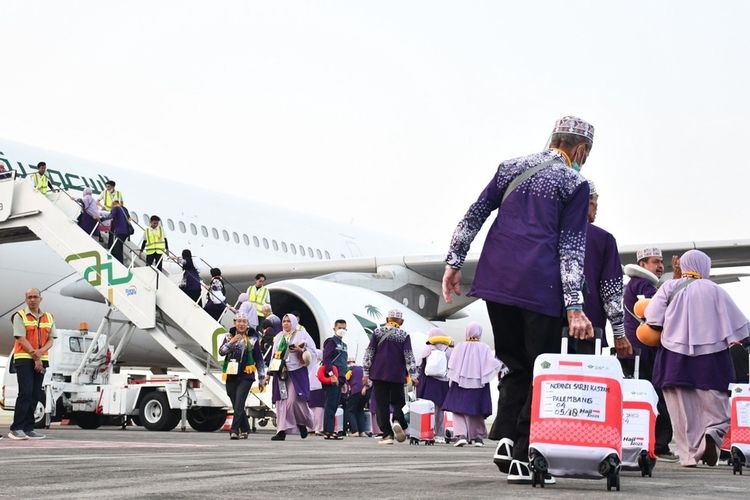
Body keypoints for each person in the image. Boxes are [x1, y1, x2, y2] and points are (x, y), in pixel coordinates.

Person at [442, 116, 595, 484]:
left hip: (496, 280)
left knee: (514, 364)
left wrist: (454, 262)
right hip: (540, 287)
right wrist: (575, 306)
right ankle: (525, 457)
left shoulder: (510, 167)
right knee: (540, 368)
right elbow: (571, 248)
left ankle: (507, 439)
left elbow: (473, 215)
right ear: (580, 150)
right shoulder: (574, 183)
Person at [645, 249, 750, 467]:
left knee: (681, 411)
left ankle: (688, 456)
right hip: (712, 357)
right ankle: (712, 433)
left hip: (673, 356)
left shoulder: (669, 287)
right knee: (718, 407)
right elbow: (740, 325)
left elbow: (652, 317)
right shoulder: (715, 289)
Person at [622, 246, 676, 461]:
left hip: (634, 351)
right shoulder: (643, 284)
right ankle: (659, 444)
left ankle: (643, 441)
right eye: (655, 261)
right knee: (656, 396)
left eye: (661, 261)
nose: (661, 266)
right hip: (643, 352)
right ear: (642, 264)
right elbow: (654, 312)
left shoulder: (634, 284)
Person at [578, 181, 632, 356]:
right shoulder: (603, 239)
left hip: (545, 326)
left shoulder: (549, 232)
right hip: (588, 329)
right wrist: (619, 334)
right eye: (595, 201)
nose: (597, 207)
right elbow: (611, 291)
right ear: (588, 202)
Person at [362, 309, 419, 445]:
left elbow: (369, 353)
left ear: (387, 319)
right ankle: (397, 420)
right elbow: (409, 356)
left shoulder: (377, 332)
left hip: (378, 373)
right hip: (397, 374)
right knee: (399, 401)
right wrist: (413, 375)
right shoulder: (404, 335)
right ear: (401, 321)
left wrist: (365, 373)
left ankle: (387, 435)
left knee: (382, 404)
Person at [7, 289, 56, 440]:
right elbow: (21, 338)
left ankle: (28, 428)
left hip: (41, 357)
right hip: (24, 358)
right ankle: (16, 428)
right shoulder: (20, 315)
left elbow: (51, 339)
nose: (32, 299)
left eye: (35, 297)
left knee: (36, 394)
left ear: (41, 299)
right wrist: (36, 356)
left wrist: (40, 353)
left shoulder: (49, 317)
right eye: (29, 297)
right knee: (26, 392)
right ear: (26, 299)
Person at [442, 323, 501, 448]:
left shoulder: (459, 346)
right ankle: (478, 437)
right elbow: (492, 364)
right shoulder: (485, 347)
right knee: (476, 410)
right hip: (479, 383)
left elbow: (452, 364)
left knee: (457, 410)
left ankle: (461, 435)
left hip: (459, 382)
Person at [266, 314, 316, 440]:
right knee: (281, 401)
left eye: (288, 321)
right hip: (281, 371)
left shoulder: (302, 335)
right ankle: (281, 430)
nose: (286, 323)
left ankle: (302, 422)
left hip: (296, 371)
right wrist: (268, 373)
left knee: (293, 401)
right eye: (284, 321)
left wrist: (300, 350)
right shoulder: (279, 337)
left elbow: (312, 351)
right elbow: (273, 354)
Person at [218, 312, 266, 440]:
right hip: (231, 373)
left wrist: (262, 378)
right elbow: (221, 352)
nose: (241, 324)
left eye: (244, 321)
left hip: (246, 374)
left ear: (248, 324)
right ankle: (245, 428)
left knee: (239, 401)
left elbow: (259, 360)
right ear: (235, 323)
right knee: (235, 401)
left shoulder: (253, 339)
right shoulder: (228, 336)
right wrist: (231, 342)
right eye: (239, 321)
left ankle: (234, 430)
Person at [417, 328, 454, 444]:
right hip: (443, 383)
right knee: (439, 411)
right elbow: (452, 366)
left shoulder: (427, 349)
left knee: (426, 409)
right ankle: (439, 434)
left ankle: (425, 433)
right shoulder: (448, 350)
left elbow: (419, 365)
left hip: (428, 383)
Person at [322, 320, 349, 439]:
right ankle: (328, 431)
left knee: (335, 405)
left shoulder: (344, 345)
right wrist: (331, 374)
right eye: (339, 327)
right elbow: (326, 359)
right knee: (330, 405)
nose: (342, 330)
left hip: (340, 378)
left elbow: (344, 364)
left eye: (344, 328)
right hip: (332, 377)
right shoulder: (331, 342)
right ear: (334, 329)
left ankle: (331, 430)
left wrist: (344, 381)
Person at [345, 353, 368, 437]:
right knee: (360, 410)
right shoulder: (362, 368)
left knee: (350, 411)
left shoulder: (349, 369)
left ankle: (355, 431)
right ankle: (362, 431)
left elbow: (346, 379)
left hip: (355, 391)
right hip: (365, 391)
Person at [105, 200, 131, 264]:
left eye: (112, 205)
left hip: (119, 231)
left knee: (117, 248)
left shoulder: (115, 208)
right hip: (126, 232)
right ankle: (119, 261)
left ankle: (119, 263)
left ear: (114, 204)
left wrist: (102, 218)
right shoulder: (124, 209)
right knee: (119, 247)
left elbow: (111, 216)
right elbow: (129, 218)